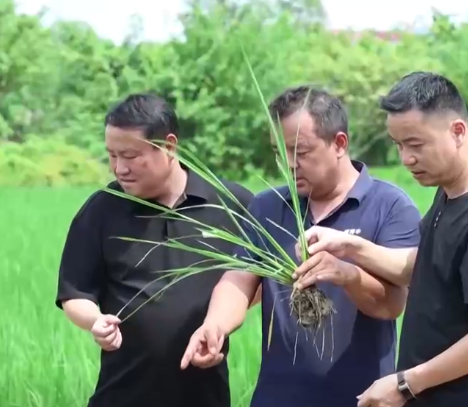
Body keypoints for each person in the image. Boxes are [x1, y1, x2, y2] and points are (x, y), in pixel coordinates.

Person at [296, 72, 468, 407]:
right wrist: (349, 247)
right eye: (398, 145)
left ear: (457, 131)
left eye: (416, 144)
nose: (406, 158)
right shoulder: (453, 190)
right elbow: (425, 267)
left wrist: (405, 384)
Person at [180, 85, 422, 407]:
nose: (289, 164)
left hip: (363, 398)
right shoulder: (268, 206)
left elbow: (391, 305)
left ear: (339, 143)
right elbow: (238, 278)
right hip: (277, 398)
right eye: (280, 152)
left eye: (301, 151)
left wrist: (346, 274)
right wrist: (215, 325)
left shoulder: (389, 205)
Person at [54, 93, 254, 407]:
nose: (119, 168)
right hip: (122, 396)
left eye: (130, 155)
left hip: (205, 397)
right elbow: (75, 292)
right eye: (112, 156)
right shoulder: (102, 210)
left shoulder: (231, 204)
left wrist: (220, 322)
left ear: (169, 146)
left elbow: (261, 280)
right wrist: (95, 321)